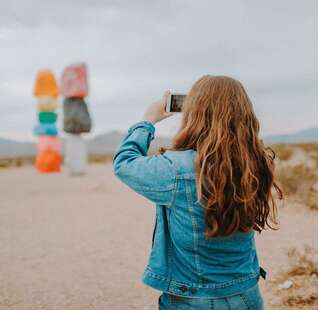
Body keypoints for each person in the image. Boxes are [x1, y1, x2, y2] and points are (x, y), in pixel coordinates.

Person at [113, 75, 282, 310]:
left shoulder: (176, 169)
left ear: (194, 114)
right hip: (246, 295)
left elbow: (124, 163)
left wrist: (148, 121)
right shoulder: (256, 162)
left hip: (193, 300)